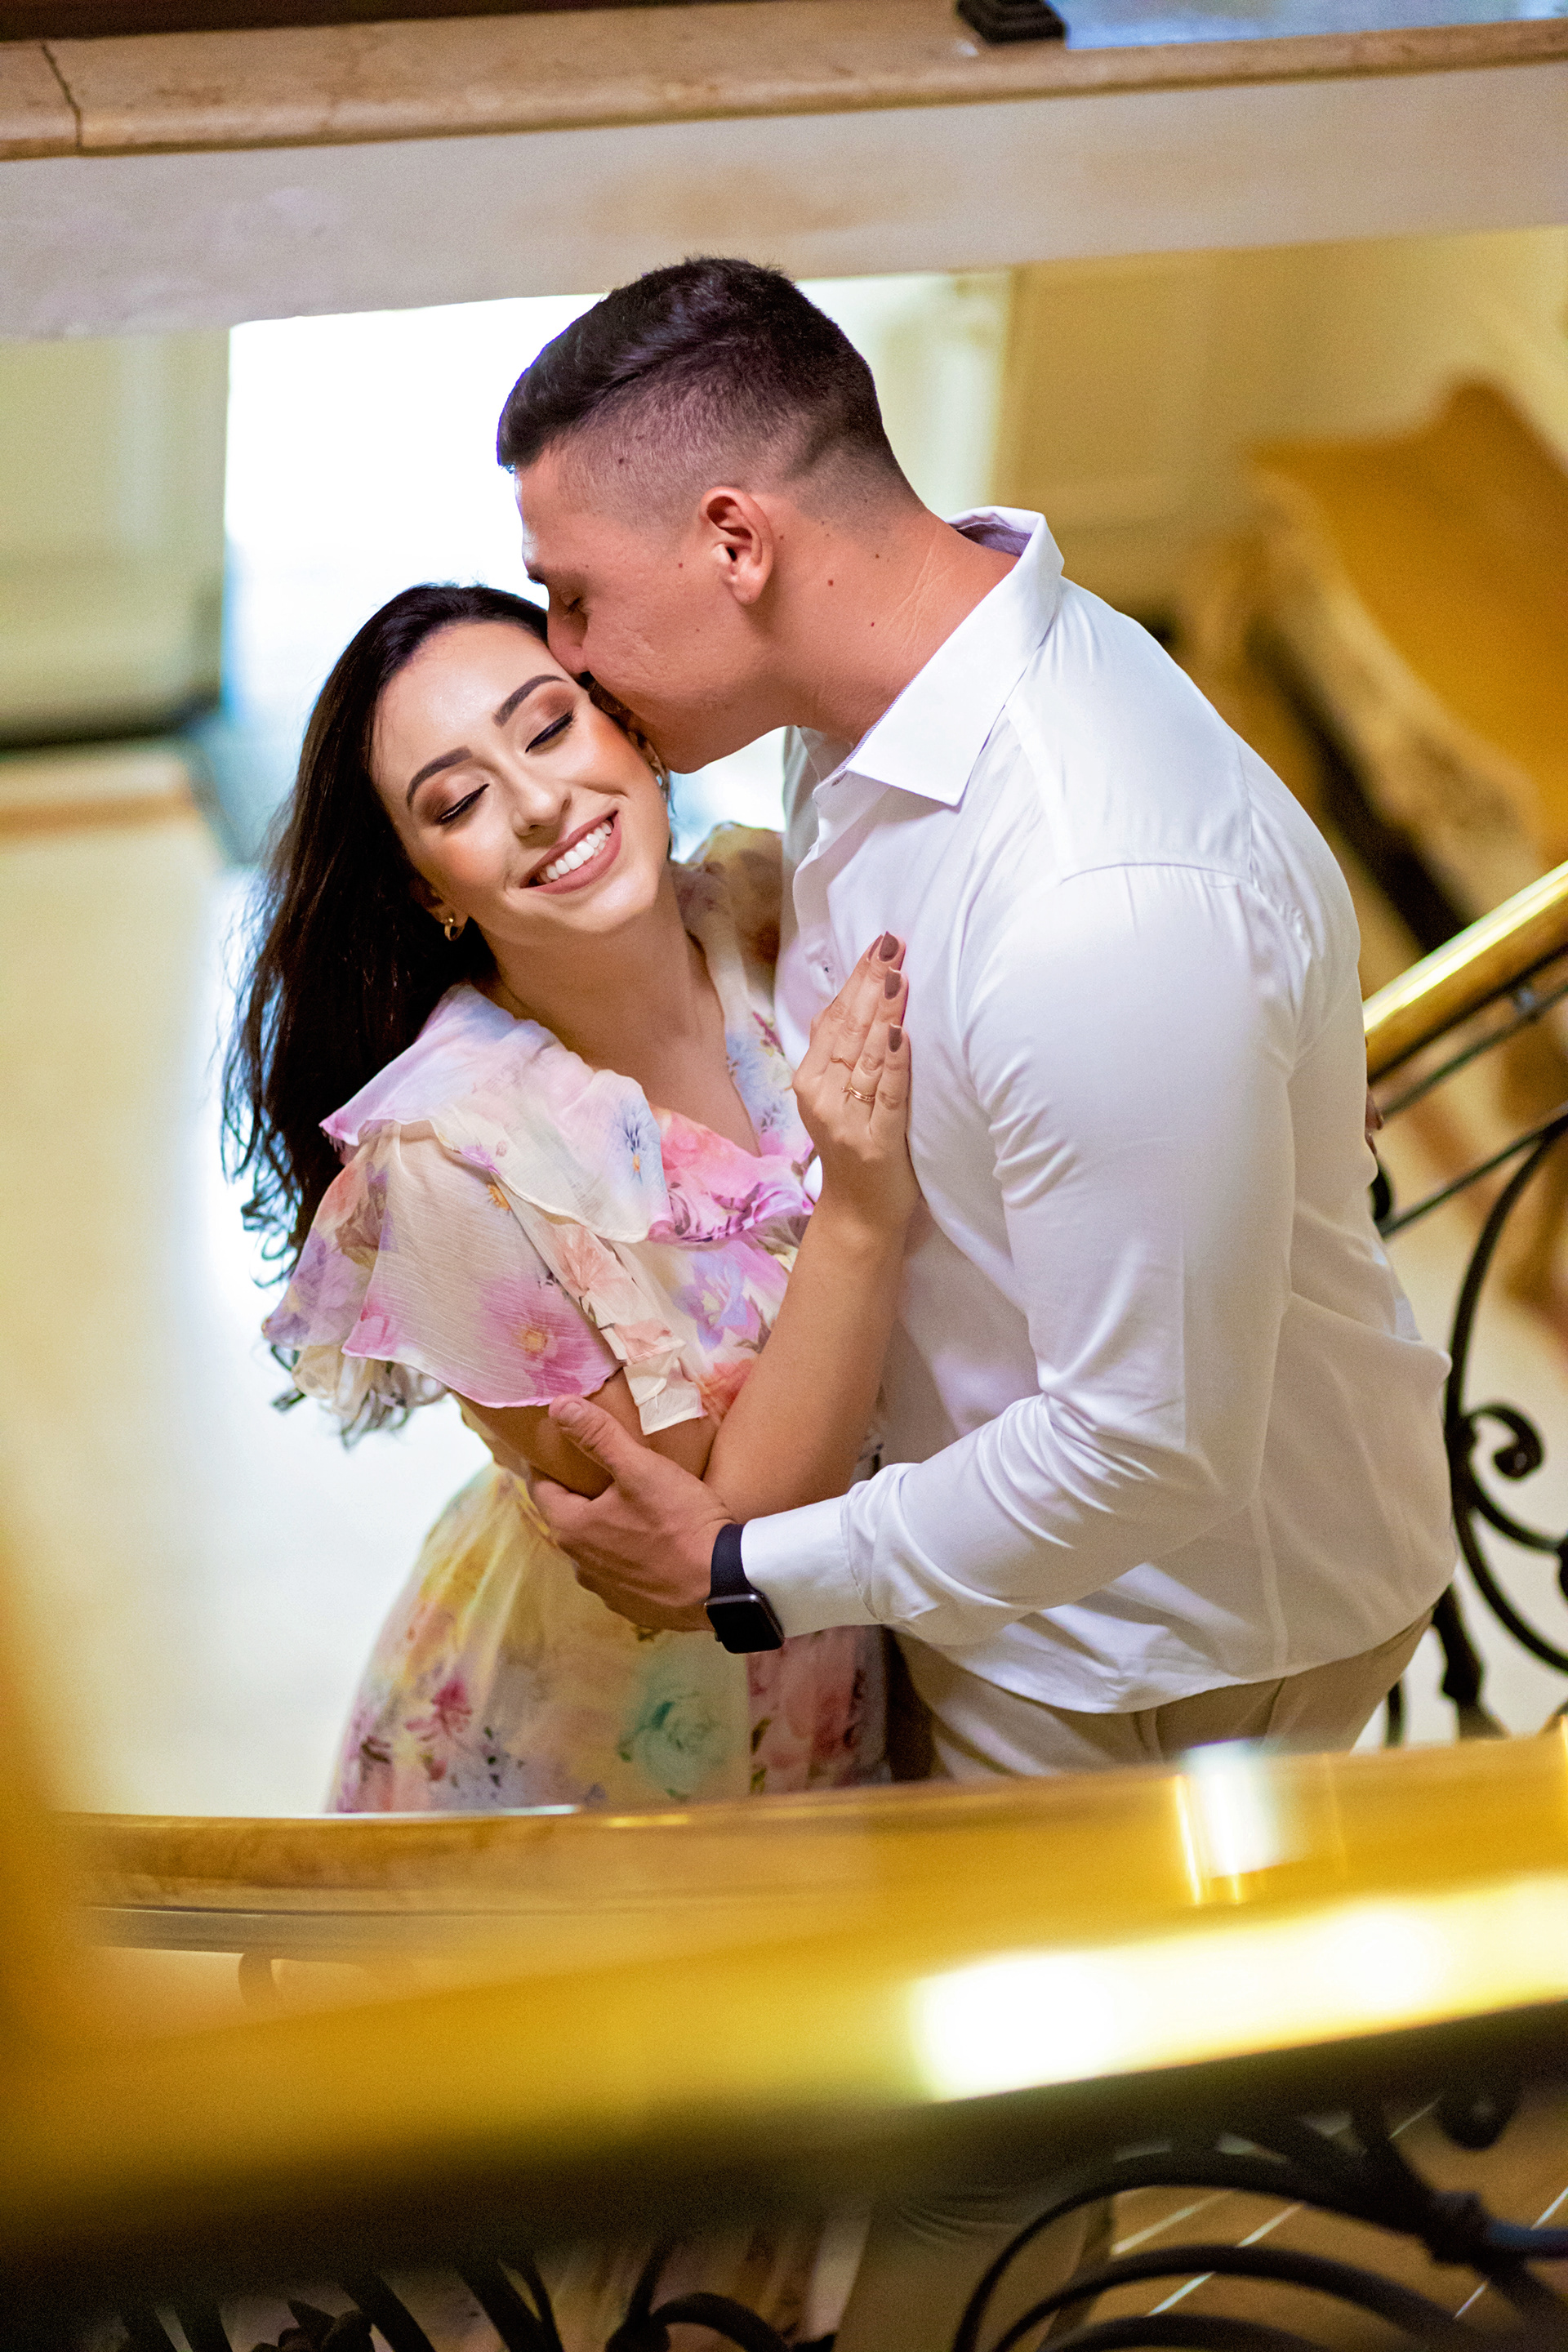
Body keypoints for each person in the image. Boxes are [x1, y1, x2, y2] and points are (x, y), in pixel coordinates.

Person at [477, 256, 1457, 2348]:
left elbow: (1144, 1447)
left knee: (977, 2178)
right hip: (1027, 1566)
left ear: (737, 541)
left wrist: (748, 1571)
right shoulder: (887, 702)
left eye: (573, 598)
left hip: (1159, 1632)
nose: (564, 656)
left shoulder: (1099, 896)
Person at [225, 579, 922, 2345]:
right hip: (602, 1728)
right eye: (459, 798)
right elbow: (728, 1541)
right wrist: (861, 1215)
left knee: (752, 2211)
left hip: (835, 1683)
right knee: (551, 2220)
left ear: (628, 728)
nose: (540, 803)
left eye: (550, 725)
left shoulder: (766, 906)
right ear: (426, 886)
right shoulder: (453, 1160)